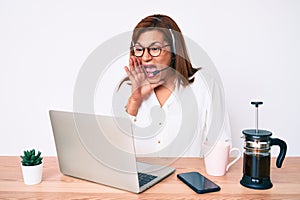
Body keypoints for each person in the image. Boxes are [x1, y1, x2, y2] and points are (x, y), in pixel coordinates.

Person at [116, 14, 231, 157]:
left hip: (187, 177)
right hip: (140, 178)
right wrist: (134, 101)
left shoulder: (205, 87)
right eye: (139, 49)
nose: (145, 57)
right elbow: (115, 152)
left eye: (155, 49)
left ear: (174, 51)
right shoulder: (127, 88)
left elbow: (221, 146)